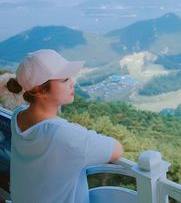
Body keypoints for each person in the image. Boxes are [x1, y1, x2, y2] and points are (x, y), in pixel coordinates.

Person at [6, 49, 124, 203]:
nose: (72, 83)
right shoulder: (65, 134)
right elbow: (117, 150)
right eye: (65, 80)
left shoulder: (18, 116)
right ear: (40, 91)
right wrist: (78, 131)